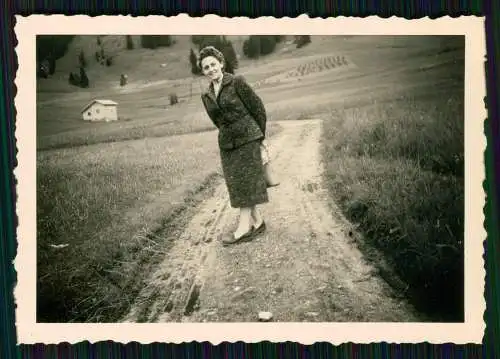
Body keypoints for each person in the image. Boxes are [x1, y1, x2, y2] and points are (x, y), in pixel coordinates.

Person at [198, 46, 271, 245]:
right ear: (203, 71)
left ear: (221, 63)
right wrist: (228, 132)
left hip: (248, 139)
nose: (211, 69)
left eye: (213, 64)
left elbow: (258, 108)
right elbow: (217, 120)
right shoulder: (206, 95)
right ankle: (259, 222)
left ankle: (243, 228)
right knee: (237, 185)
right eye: (206, 67)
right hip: (228, 145)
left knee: (246, 182)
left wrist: (260, 137)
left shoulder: (236, 82)